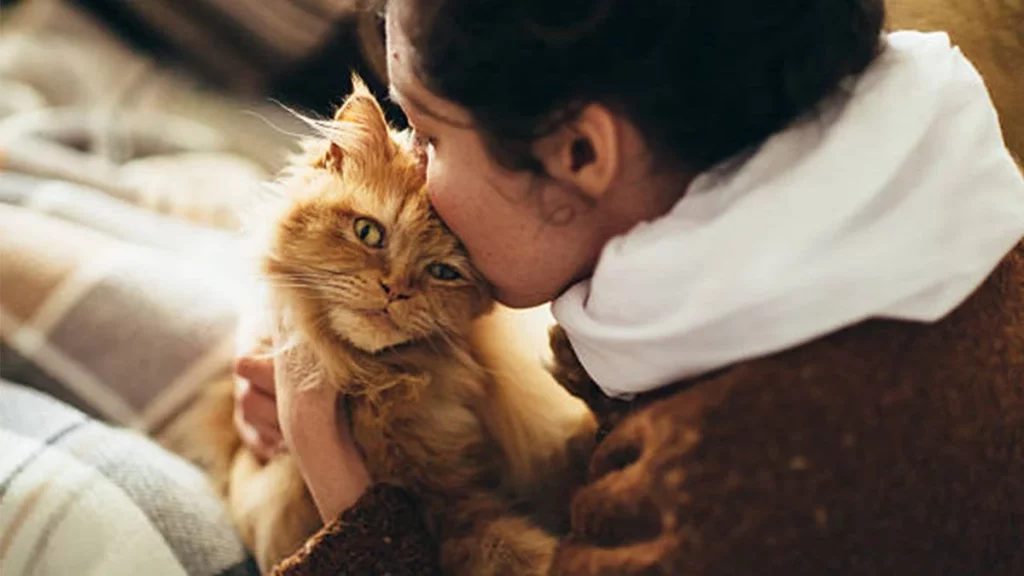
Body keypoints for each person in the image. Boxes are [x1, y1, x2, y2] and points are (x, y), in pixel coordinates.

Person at [235, 0, 1024, 574]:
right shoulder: (923, 198)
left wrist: (329, 457)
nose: (415, 171)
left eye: (431, 137)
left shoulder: (712, 495)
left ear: (580, 152)